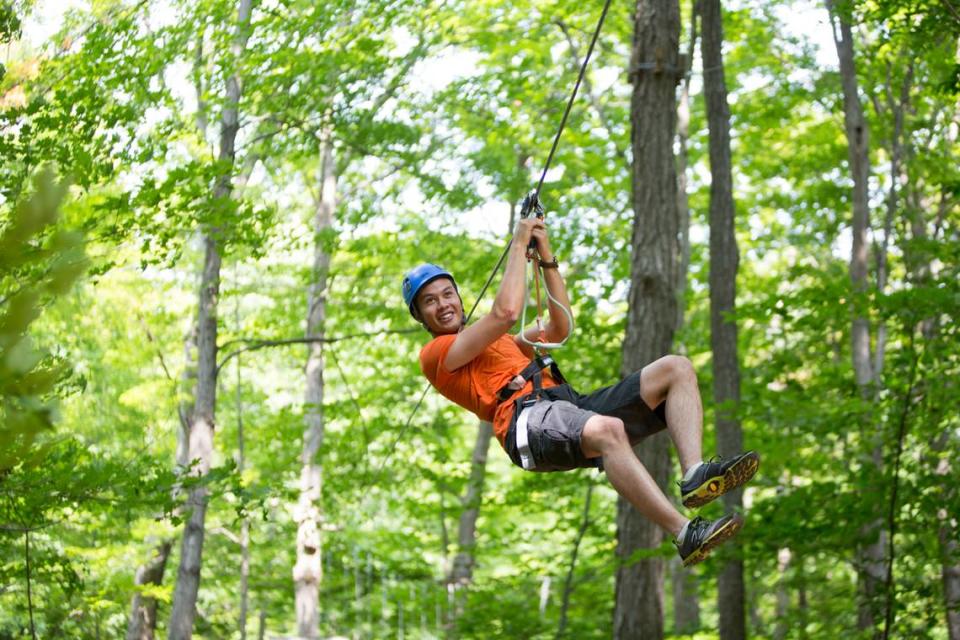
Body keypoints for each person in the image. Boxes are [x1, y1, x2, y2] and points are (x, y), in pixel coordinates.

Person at [402, 216, 759, 566]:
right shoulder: (436, 355)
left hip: (564, 406)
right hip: (525, 421)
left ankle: (695, 473)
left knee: (675, 368)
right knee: (608, 430)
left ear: (460, 298)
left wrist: (545, 255)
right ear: (420, 317)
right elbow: (506, 311)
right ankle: (684, 534)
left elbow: (561, 325)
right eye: (430, 301)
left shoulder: (508, 345)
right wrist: (518, 240)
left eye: (448, 294)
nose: (443, 304)